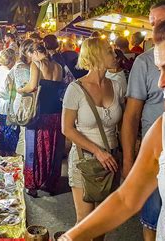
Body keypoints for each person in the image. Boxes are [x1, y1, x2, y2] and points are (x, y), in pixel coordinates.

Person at [58, 13, 165, 241]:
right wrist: (70, 237)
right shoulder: (164, 130)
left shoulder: (115, 86)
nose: (161, 82)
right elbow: (127, 199)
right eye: (160, 70)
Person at [120, 0, 165, 241]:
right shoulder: (144, 62)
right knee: (152, 216)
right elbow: (131, 115)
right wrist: (128, 161)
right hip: (155, 155)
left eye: (162, 22)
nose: (163, 83)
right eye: (152, 23)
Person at [61, 37, 124, 241]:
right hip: (84, 160)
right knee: (85, 221)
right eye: (109, 51)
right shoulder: (75, 89)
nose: (114, 55)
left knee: (102, 220)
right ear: (96, 56)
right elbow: (67, 129)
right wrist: (98, 151)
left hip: (111, 161)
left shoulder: (117, 85)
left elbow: (122, 125)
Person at [18, 42, 65, 197]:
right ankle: (51, 182)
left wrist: (20, 89)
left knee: (35, 148)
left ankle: (33, 183)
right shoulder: (58, 66)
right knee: (53, 147)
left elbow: (31, 86)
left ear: (35, 52)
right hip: (56, 112)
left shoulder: (36, 64)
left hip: (40, 112)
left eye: (30, 54)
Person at [7, 39, 34, 157]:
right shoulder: (22, 67)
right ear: (26, 52)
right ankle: (20, 162)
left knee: (25, 134)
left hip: (25, 102)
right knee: (24, 135)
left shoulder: (25, 66)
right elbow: (25, 87)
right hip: (23, 104)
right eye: (33, 51)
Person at [0, 49, 18, 155]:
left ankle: (1, 152)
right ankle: (9, 156)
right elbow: (10, 91)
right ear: (12, 60)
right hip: (7, 106)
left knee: (0, 131)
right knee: (9, 132)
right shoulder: (9, 73)